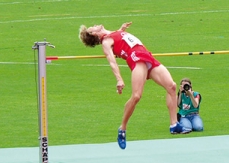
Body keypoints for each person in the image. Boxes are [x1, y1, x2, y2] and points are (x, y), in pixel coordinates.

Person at [78, 22, 189, 150]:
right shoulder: (106, 42)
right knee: (136, 96)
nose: (95, 24)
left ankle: (174, 125)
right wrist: (119, 79)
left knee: (172, 86)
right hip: (137, 58)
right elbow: (112, 61)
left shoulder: (112, 34)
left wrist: (121, 29)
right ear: (93, 33)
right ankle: (122, 128)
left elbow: (120, 40)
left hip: (146, 55)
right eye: (92, 27)